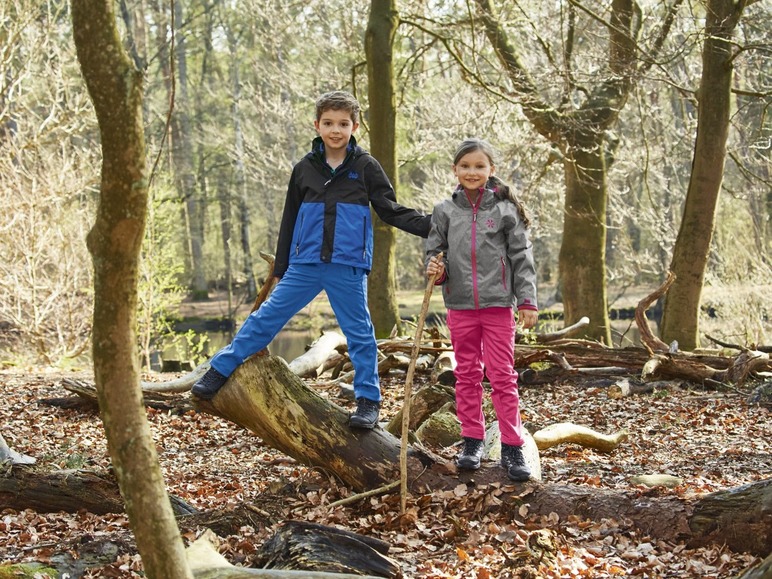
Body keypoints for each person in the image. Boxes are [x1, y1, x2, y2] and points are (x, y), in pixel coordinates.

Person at [192, 90, 431, 429]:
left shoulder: (365, 167)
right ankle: (220, 368)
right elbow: (289, 218)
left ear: (355, 126)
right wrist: (280, 268)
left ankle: (367, 401)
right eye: (329, 123)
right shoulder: (304, 169)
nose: (336, 130)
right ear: (317, 125)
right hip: (304, 265)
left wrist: (433, 226)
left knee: (360, 333)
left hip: (347, 265)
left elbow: (390, 210)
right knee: (265, 318)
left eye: (344, 124)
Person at [425, 138, 538, 481]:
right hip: (460, 307)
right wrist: (436, 270)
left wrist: (528, 300)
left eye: (479, 166)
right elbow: (435, 253)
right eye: (465, 166)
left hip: (498, 306)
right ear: (455, 170)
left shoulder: (504, 211)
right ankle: (472, 440)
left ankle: (512, 446)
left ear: (491, 171)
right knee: (467, 375)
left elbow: (522, 258)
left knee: (503, 375)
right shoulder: (445, 211)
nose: (472, 172)